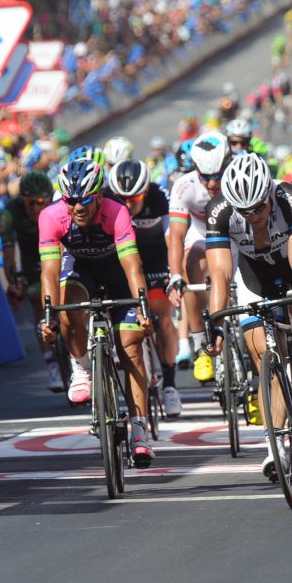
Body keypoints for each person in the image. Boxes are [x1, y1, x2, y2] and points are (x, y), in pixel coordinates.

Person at [203, 152, 292, 481]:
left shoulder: (290, 197)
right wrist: (215, 323)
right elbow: (221, 276)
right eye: (245, 210)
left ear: (269, 195)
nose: (252, 216)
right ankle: (277, 443)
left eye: (258, 208)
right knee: (268, 357)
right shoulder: (220, 212)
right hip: (255, 277)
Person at [37, 157, 156, 468]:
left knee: (130, 347)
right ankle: (81, 368)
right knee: (67, 308)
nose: (78, 207)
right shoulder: (51, 216)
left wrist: (142, 307)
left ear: (100, 196)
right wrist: (47, 316)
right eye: (71, 200)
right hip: (82, 270)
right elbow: (49, 272)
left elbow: (132, 266)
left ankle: (140, 430)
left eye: (85, 200)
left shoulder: (117, 212)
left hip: (117, 273)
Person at [108, 157, 183, 418]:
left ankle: (171, 384)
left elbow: (172, 238)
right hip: (122, 261)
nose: (128, 204)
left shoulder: (160, 199)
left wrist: (174, 275)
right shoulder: (107, 201)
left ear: (146, 192)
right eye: (122, 198)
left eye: (135, 198)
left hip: (155, 260)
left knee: (162, 319)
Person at [167, 133, 228, 381]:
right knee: (192, 265)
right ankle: (200, 344)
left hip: (233, 234)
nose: (212, 183)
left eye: (217, 176)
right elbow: (176, 238)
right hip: (201, 235)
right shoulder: (184, 186)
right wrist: (174, 276)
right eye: (206, 177)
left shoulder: (235, 178)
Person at [2, 170, 64, 392]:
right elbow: (8, 253)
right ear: (22, 201)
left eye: (41, 202)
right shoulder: (10, 214)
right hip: (31, 258)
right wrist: (13, 280)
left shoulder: (58, 207)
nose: (36, 208)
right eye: (31, 203)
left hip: (56, 250)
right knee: (38, 301)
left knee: (67, 297)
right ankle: (51, 363)